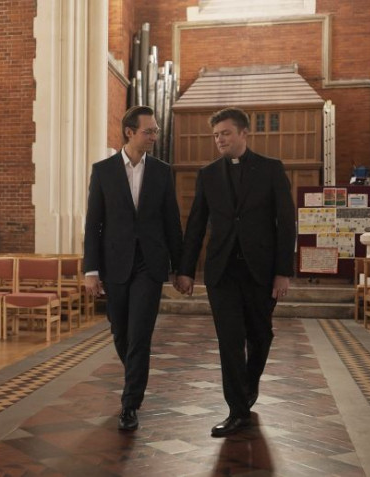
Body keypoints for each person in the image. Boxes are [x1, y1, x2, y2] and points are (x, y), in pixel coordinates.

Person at [176, 107, 296, 437]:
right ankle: (237, 411)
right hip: (222, 272)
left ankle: (247, 387)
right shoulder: (208, 174)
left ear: (244, 133)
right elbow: (196, 224)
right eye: (216, 135)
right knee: (229, 341)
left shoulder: (271, 170)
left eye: (225, 133)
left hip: (261, 272)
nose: (219, 139)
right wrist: (186, 270)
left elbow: (286, 223)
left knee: (260, 336)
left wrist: (283, 272)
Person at [84, 105, 183, 431]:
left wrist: (181, 267)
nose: (154, 136)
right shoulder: (103, 171)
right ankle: (135, 376)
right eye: (148, 131)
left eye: (155, 131)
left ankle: (130, 404)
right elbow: (94, 224)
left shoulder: (162, 171)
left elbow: (172, 223)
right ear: (130, 132)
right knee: (120, 331)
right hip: (114, 264)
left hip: (149, 266)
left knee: (140, 334)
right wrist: (91, 270)